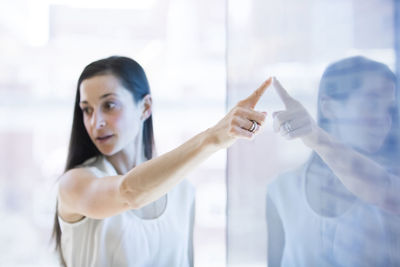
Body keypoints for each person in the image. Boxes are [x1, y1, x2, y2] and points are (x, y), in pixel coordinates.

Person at [52, 56, 271, 267]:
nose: (95, 122)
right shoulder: (74, 184)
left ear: (145, 107)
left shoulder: (183, 191)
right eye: (87, 110)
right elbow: (129, 193)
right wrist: (212, 138)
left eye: (109, 105)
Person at [266, 56, 400, 266]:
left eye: (389, 109)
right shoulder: (282, 190)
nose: (385, 118)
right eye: (372, 102)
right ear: (329, 108)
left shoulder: (389, 186)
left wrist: (313, 135)